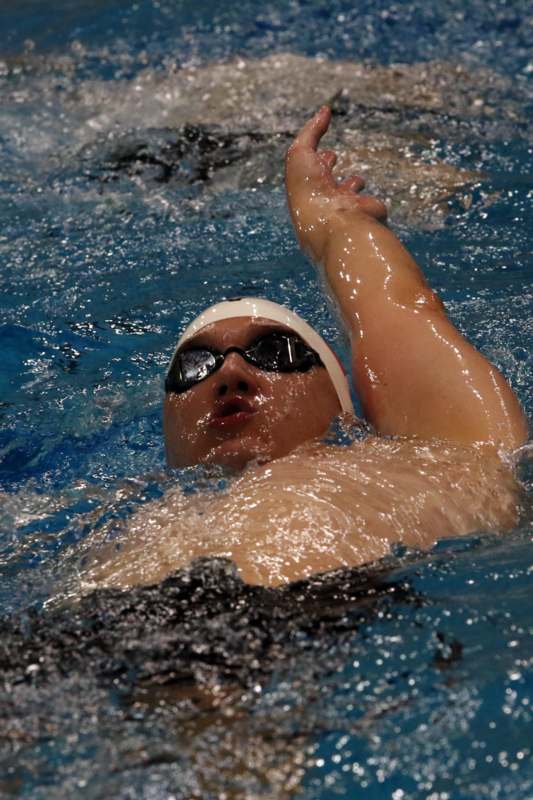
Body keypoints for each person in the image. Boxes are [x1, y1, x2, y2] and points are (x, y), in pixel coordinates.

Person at [84, 107, 528, 591]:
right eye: (195, 365)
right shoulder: (114, 527)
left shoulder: (436, 466)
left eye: (275, 352)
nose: (229, 373)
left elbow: (407, 313)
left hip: (320, 613)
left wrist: (336, 225)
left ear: (343, 406)